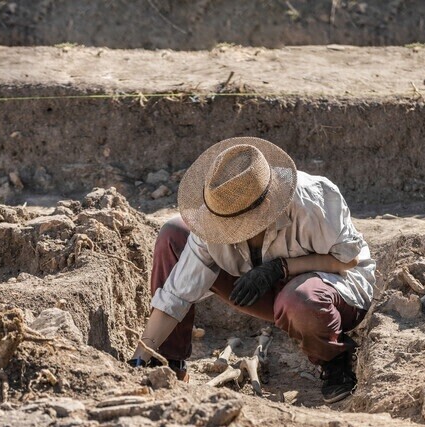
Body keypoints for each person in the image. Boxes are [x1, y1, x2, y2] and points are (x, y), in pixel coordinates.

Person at [127, 137, 375, 403]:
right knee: (174, 234)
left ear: (266, 207)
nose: (230, 232)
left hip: (334, 289)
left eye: (240, 224)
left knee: (300, 300)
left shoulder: (313, 200)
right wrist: (142, 355)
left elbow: (348, 260)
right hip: (263, 290)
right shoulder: (216, 214)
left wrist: (280, 268)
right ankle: (167, 364)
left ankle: (334, 358)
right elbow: (176, 292)